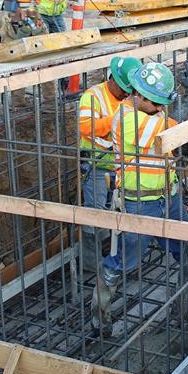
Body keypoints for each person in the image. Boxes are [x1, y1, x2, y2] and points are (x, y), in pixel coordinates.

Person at [91, 62, 188, 335]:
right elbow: (170, 130)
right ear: (138, 95)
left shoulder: (151, 112)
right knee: (125, 260)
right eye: (157, 103)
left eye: (164, 103)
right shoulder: (125, 119)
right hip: (140, 204)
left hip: (169, 198)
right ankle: (100, 313)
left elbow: (168, 124)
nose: (161, 108)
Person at [79, 55, 141, 281]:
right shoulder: (92, 97)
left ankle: (118, 262)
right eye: (125, 89)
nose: (127, 94)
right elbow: (86, 128)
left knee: (122, 216)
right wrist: (119, 118)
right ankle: (90, 266)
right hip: (97, 166)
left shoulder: (131, 98)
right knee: (95, 216)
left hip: (123, 168)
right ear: (112, 78)